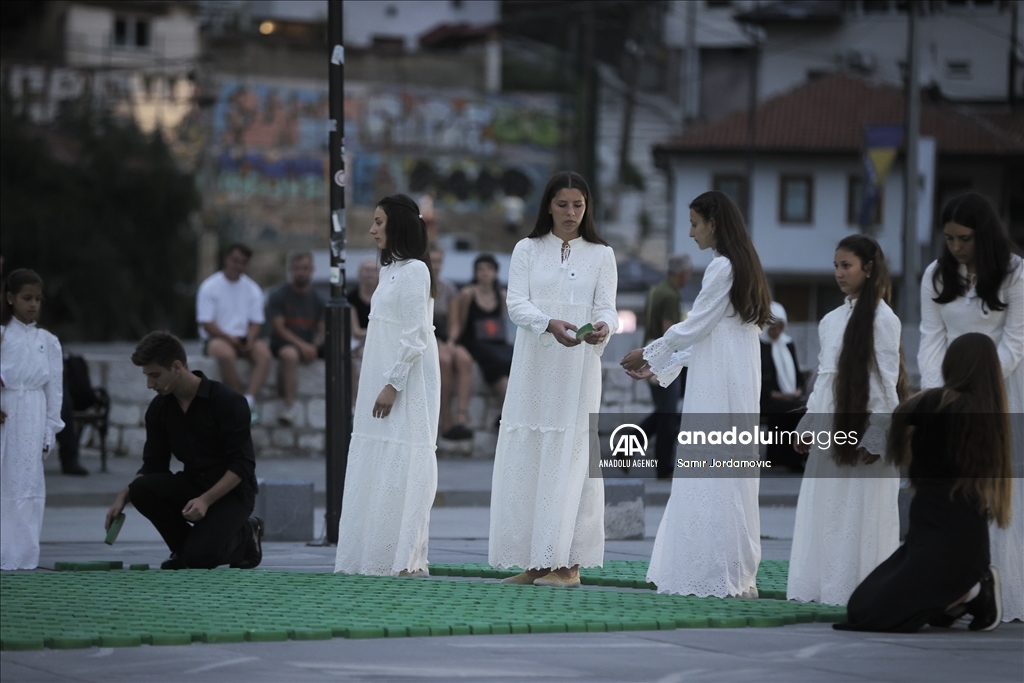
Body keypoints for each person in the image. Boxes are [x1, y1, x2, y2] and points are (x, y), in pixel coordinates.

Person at [621, 190, 772, 598]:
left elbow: (695, 326)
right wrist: (661, 362)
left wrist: (649, 351)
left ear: (714, 224)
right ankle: (728, 570)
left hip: (718, 387)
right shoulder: (744, 265)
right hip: (733, 379)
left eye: (694, 223)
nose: (690, 233)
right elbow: (714, 336)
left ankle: (709, 573)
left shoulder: (722, 267)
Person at [489, 171, 618, 588]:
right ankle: (538, 562)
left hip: (579, 372)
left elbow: (609, 309)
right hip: (534, 368)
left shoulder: (602, 254)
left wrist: (603, 326)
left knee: (573, 457)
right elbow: (515, 304)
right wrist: (548, 324)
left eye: (578, 205)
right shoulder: (526, 249)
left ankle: (569, 565)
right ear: (548, 205)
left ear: (587, 207)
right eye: (562, 204)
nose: (570, 212)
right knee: (533, 457)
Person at [835, 333, 1010, 632]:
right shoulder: (986, 414)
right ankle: (956, 598)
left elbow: (900, 416)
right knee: (863, 608)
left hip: (953, 543)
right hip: (935, 535)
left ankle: (974, 591)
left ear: (954, 364)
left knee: (873, 612)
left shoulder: (941, 403)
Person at [918, 192, 1023, 624]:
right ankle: (963, 587)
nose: (956, 247)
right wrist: (937, 394)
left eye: (964, 239)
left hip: (1003, 391)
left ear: (984, 235)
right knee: (956, 492)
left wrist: (978, 388)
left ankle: (1009, 590)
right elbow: (930, 337)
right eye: (949, 239)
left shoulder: (1016, 274)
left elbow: (1016, 340)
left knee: (1004, 488)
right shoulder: (935, 275)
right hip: (949, 395)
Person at [787, 235, 906, 606]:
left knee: (861, 517)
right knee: (829, 511)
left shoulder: (885, 320)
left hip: (866, 431)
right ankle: (826, 589)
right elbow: (825, 378)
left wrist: (878, 436)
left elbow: (887, 383)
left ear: (868, 269)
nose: (839, 273)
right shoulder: (830, 320)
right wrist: (807, 424)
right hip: (830, 428)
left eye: (847, 265)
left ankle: (861, 591)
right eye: (836, 266)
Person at [334, 194, 441, 577]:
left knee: (406, 457)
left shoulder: (415, 271)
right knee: (378, 458)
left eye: (378, 222)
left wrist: (392, 385)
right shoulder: (388, 270)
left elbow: (415, 336)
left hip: (405, 381)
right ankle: (373, 557)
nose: (372, 229)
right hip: (379, 376)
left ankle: (405, 559)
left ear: (397, 224)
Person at [104, 332, 262, 570]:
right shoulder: (159, 409)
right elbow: (153, 466)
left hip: (232, 493)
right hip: (194, 485)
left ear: (177, 367)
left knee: (200, 560)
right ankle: (185, 550)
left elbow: (243, 465)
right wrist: (123, 496)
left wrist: (205, 500)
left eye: (155, 375)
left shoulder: (227, 401)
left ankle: (247, 534)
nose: (149, 384)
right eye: (146, 376)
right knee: (141, 490)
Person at [1, 269, 64, 570]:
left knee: (27, 485)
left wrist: (50, 429)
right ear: (10, 298)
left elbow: (55, 390)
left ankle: (23, 557)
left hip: (33, 416)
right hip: (5, 414)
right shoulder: (2, 336)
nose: (33, 305)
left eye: (38, 299)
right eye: (26, 298)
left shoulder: (48, 341)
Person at [196, 243, 271, 423]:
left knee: (265, 355)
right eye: (235, 260)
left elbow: (256, 322)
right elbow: (206, 323)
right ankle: (237, 401)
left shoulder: (252, 289)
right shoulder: (210, 286)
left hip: (242, 338)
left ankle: (249, 399)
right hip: (216, 339)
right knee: (227, 354)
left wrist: (250, 340)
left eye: (243, 262)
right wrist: (230, 338)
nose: (238, 266)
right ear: (227, 259)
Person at [637, 253, 693, 479]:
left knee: (663, 412)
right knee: (668, 415)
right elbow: (669, 332)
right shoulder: (670, 295)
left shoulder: (656, 289)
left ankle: (629, 441)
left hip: (649, 355)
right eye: (688, 274)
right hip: (664, 360)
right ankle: (664, 468)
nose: (688, 279)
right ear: (681, 273)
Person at [267, 250, 325, 426]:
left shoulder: (319, 299)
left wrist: (314, 346)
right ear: (291, 270)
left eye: (305, 268)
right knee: (290, 355)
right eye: (298, 268)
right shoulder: (278, 295)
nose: (301, 272)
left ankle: (350, 406)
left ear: (312, 269)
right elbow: (279, 328)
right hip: (285, 344)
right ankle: (289, 407)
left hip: (309, 345)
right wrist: (303, 346)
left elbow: (322, 330)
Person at [451, 254, 514, 413]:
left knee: (512, 357)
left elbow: (500, 321)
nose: (485, 273)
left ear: (496, 272)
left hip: (495, 340)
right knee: (495, 360)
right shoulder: (467, 294)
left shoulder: (501, 295)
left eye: (489, 269)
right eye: (481, 269)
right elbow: (462, 322)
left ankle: (507, 411)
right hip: (474, 341)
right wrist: (454, 342)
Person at [430, 247, 474, 441]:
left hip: (444, 335)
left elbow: (454, 323)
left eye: (439, 261)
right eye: (432, 261)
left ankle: (461, 415)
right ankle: (445, 420)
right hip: (428, 336)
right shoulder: (419, 285)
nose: (436, 265)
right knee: (444, 361)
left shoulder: (448, 288)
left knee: (464, 358)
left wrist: (450, 341)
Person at [759, 301, 807, 472]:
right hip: (766, 399)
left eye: (780, 327)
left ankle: (795, 457)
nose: (777, 332)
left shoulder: (787, 343)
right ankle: (786, 459)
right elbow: (758, 380)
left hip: (789, 397)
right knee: (793, 408)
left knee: (803, 406)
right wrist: (778, 395)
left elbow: (797, 372)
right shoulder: (759, 345)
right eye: (773, 328)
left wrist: (798, 390)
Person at [346, 259, 379, 406]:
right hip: (360, 340)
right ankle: (355, 404)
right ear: (360, 273)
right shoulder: (351, 298)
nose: (370, 274)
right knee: (354, 359)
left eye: (374, 270)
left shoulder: (383, 296)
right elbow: (356, 331)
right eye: (367, 270)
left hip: (379, 340)